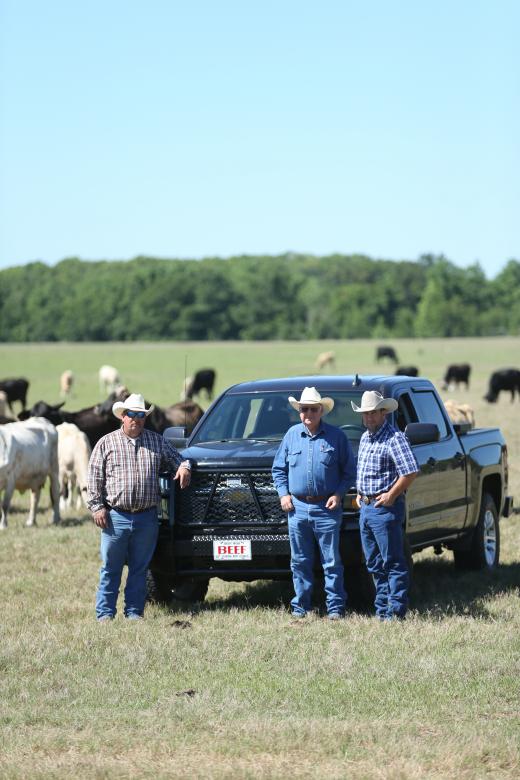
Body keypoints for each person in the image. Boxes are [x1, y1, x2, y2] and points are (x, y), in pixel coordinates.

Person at [87, 392, 192, 621]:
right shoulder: (106, 443)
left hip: (146, 517)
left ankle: (134, 612)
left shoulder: (156, 441)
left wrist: (184, 468)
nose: (136, 419)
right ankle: (105, 614)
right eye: (132, 414)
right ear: (122, 416)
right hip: (116, 516)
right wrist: (97, 507)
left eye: (141, 415)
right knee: (110, 568)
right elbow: (94, 477)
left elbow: (179, 459)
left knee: (139, 569)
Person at [272, 387, 356, 620]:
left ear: (322, 411)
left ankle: (336, 607)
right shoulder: (291, 435)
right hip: (297, 508)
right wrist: (283, 494)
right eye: (304, 409)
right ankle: (301, 607)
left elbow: (349, 472)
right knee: (299, 561)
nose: (308, 413)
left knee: (331, 562)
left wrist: (338, 494)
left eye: (313, 409)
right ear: (299, 411)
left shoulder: (336, 437)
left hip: (326, 509)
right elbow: (278, 469)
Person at [351, 390, 419, 621]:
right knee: (374, 563)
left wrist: (391, 495)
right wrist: (360, 494)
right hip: (367, 508)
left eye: (373, 413)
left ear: (383, 413)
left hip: (385, 508)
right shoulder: (364, 438)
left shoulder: (394, 438)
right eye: (365, 414)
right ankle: (382, 611)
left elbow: (410, 472)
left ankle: (396, 611)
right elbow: (364, 472)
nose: (369, 418)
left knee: (393, 562)